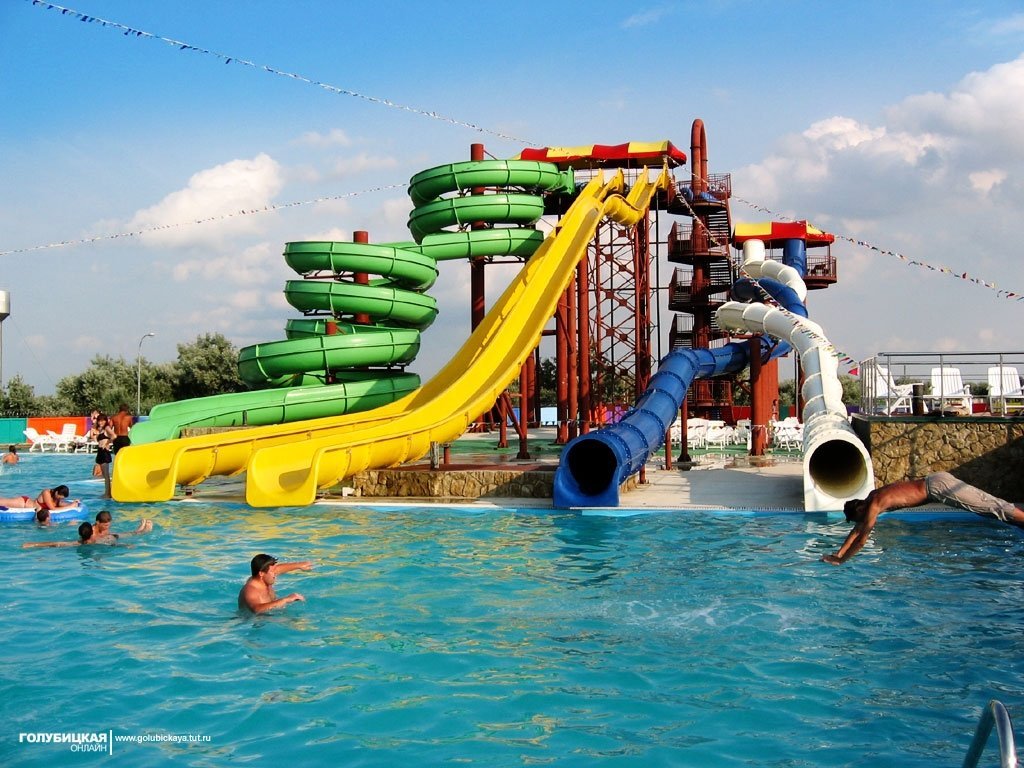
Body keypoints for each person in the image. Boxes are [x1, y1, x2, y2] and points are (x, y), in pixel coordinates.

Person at [823, 471, 1024, 565]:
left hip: (937, 488)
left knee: (991, 506)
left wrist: (842, 561)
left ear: (859, 510)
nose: (859, 522)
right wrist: (838, 554)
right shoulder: (871, 497)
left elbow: (861, 540)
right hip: (935, 483)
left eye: (857, 518)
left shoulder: (874, 505)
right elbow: (856, 531)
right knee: (987, 509)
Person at [238, 553, 313, 614]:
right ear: (261, 573)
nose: (275, 574)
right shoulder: (251, 590)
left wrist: (299, 565)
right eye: (272, 572)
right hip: (255, 621)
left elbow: (277, 569)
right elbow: (256, 609)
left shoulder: (265, 578)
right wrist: (285, 600)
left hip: (269, 616)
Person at [89, 414, 115, 497]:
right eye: (99, 421)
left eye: (102, 421)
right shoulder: (100, 429)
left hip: (104, 452)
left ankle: (108, 494)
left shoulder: (107, 428)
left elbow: (114, 436)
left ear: (105, 421)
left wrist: (107, 443)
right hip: (100, 451)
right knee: (104, 475)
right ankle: (107, 492)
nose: (101, 422)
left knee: (106, 475)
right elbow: (94, 437)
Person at [0, 485, 79, 512]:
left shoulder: (56, 498)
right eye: (60, 497)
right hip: (24, 503)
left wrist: (73, 503)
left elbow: (61, 504)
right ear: (56, 492)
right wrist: (70, 506)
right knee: (2, 501)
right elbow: (52, 508)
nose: (60, 499)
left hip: (26, 504)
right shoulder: (46, 493)